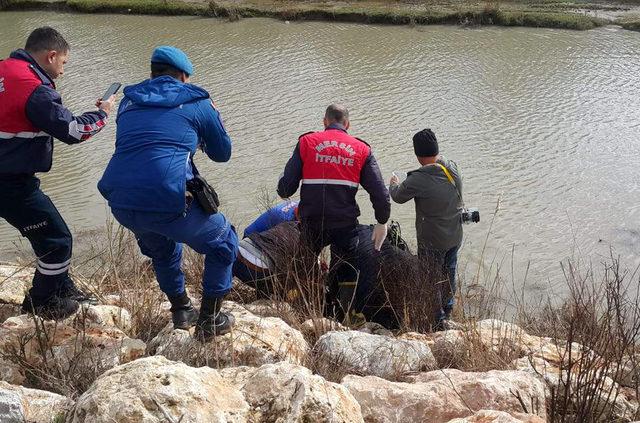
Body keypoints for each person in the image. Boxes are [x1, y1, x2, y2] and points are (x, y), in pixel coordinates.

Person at [97, 46, 236, 341]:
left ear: (152, 73)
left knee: (162, 246)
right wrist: (205, 128)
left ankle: (182, 309)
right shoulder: (198, 101)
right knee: (224, 241)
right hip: (165, 196)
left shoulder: (127, 102)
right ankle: (211, 319)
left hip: (122, 201)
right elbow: (222, 153)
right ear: (184, 76)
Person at [0, 27, 115, 320]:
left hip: (11, 175)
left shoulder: (5, 69)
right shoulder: (34, 88)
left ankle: (61, 285)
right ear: (51, 56)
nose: (62, 71)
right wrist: (102, 114)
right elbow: (74, 131)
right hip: (9, 181)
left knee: (44, 231)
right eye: (63, 63)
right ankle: (43, 301)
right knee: (57, 239)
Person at [277, 104, 390, 323]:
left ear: (325, 122)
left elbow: (286, 189)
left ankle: (306, 311)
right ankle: (345, 316)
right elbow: (380, 193)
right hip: (344, 223)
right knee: (347, 267)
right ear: (347, 124)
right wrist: (381, 221)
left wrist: (285, 182)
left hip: (312, 222)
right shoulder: (362, 150)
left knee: (305, 264)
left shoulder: (306, 143)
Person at [389, 128, 463, 328]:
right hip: (454, 236)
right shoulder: (451, 168)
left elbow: (397, 196)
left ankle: (437, 320)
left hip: (432, 240)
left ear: (417, 154)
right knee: (449, 272)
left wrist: (393, 184)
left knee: (430, 278)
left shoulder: (420, 178)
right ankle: (448, 309)